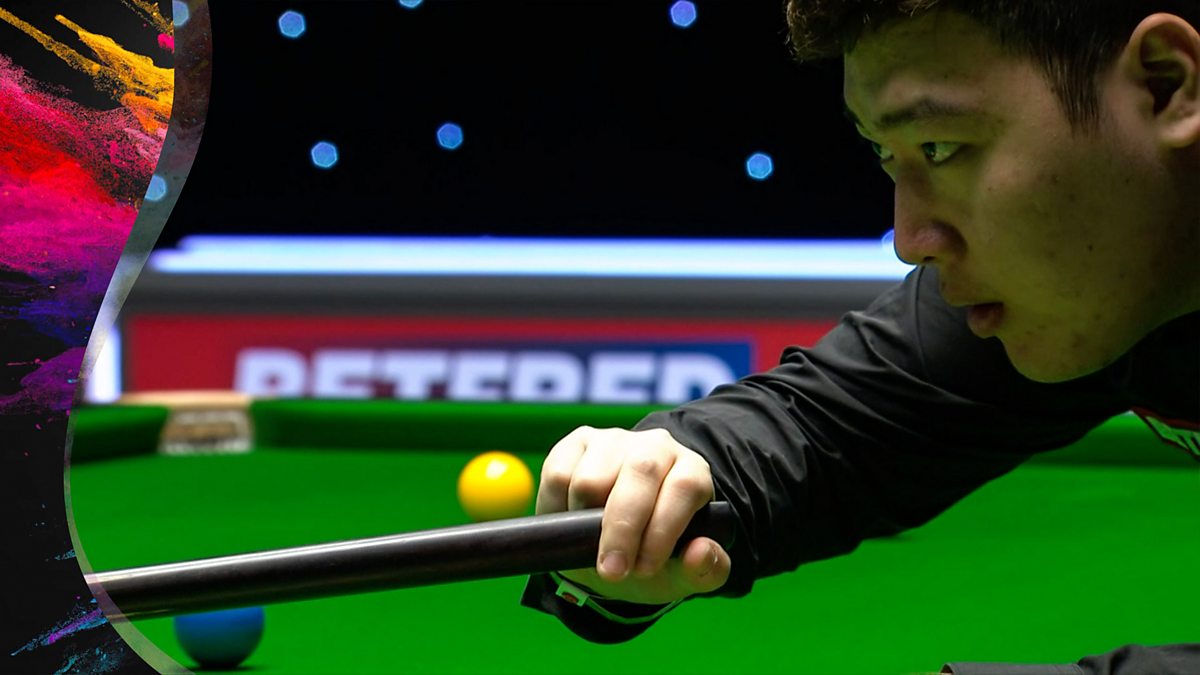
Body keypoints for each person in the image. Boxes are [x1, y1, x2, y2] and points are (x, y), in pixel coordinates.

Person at [519, 1, 1200, 673]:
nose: (909, 241)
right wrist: (661, 480)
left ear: (1166, 85)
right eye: (885, 154)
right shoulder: (1092, 277)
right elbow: (820, 427)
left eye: (941, 147)